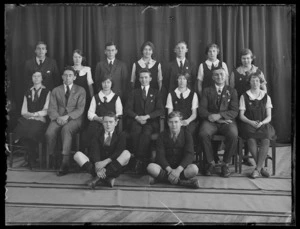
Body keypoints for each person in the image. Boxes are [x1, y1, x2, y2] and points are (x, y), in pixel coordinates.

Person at [198, 66, 239, 178]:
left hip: (227, 121)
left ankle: (225, 164)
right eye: (216, 74)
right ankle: (210, 163)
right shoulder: (207, 90)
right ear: (213, 77)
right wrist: (212, 117)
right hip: (210, 121)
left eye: (221, 74)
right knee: (203, 133)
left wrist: (220, 116)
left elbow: (234, 111)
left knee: (233, 134)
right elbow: (202, 109)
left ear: (225, 76)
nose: (219, 77)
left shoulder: (232, 91)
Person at [229, 48, 267, 166]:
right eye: (243, 58)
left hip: (255, 107)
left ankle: (248, 157)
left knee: (253, 129)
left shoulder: (258, 72)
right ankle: (237, 155)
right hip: (240, 106)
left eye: (248, 58)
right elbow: (231, 90)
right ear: (241, 59)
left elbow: (264, 90)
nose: (246, 60)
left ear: (252, 58)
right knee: (240, 130)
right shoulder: (235, 72)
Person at [45, 66, 86, 176]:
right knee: (49, 133)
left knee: (66, 130)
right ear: (62, 76)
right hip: (57, 118)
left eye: (70, 75)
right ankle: (53, 157)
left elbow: (80, 109)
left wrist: (67, 117)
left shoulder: (81, 90)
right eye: (65, 75)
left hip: (74, 119)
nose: (67, 78)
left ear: (74, 77)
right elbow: (51, 108)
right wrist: (58, 117)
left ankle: (65, 163)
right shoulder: (56, 90)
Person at [73, 112, 131, 188]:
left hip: (113, 165)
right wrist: (98, 163)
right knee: (77, 155)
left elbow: (118, 152)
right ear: (102, 123)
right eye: (106, 122)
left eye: (111, 122)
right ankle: (107, 178)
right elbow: (94, 150)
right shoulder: (97, 133)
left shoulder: (121, 134)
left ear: (116, 123)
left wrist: (106, 161)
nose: (108, 124)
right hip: (98, 165)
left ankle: (98, 178)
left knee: (126, 154)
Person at [125, 68, 164, 174]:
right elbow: (127, 109)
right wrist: (137, 117)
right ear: (138, 79)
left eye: (146, 77)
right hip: (136, 120)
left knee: (146, 133)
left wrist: (147, 116)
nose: (144, 79)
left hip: (151, 122)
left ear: (150, 78)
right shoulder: (134, 92)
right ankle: (141, 161)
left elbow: (160, 110)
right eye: (141, 77)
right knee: (136, 132)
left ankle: (139, 160)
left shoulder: (156, 93)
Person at [147, 111, 200, 188]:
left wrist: (178, 170)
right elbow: (160, 156)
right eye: (171, 122)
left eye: (176, 122)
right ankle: (183, 182)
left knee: (194, 169)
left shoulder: (187, 135)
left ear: (181, 123)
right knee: (150, 167)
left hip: (181, 169)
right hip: (166, 169)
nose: (174, 125)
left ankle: (161, 180)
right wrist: (170, 170)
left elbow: (189, 154)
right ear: (168, 123)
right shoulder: (162, 135)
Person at [239, 72, 276, 179]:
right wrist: (251, 122)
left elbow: (269, 116)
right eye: (252, 80)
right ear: (249, 82)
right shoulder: (244, 96)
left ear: (260, 83)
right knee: (250, 139)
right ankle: (261, 168)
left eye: (257, 81)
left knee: (266, 138)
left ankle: (257, 169)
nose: (255, 83)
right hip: (248, 123)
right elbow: (241, 116)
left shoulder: (266, 96)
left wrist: (262, 123)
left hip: (263, 123)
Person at [12, 71, 50, 169]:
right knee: (21, 130)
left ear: (42, 78)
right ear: (32, 78)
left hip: (40, 119)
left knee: (32, 131)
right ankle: (31, 158)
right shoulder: (28, 92)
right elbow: (23, 111)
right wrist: (29, 115)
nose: (36, 78)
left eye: (38, 76)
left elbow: (46, 110)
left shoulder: (47, 92)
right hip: (27, 118)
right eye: (34, 76)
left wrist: (35, 114)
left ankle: (32, 158)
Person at [82, 74, 123, 151]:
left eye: (108, 82)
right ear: (101, 83)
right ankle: (92, 153)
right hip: (98, 122)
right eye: (104, 82)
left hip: (110, 123)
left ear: (111, 83)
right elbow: (90, 114)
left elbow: (119, 114)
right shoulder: (96, 97)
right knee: (92, 129)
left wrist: (109, 120)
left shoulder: (116, 98)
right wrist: (98, 118)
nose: (106, 84)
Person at [165, 73, 199, 137]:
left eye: (184, 79)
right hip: (175, 121)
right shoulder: (171, 94)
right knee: (176, 132)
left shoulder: (193, 94)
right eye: (180, 79)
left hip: (189, 121)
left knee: (188, 133)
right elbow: (170, 113)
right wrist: (177, 122)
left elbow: (194, 114)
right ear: (177, 80)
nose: (182, 81)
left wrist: (187, 121)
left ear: (187, 81)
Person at [72, 49, 94, 120]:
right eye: (75, 57)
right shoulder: (69, 69)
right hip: (73, 99)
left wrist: (92, 98)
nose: (77, 59)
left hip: (85, 98)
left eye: (79, 57)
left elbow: (90, 86)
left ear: (82, 58)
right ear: (72, 58)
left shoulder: (87, 69)